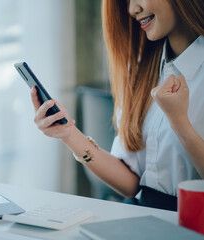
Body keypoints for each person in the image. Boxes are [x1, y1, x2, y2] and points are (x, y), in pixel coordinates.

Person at [30, 0, 204, 211]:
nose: (132, 9)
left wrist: (179, 122)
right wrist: (67, 133)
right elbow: (131, 184)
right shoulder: (140, 69)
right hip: (143, 216)